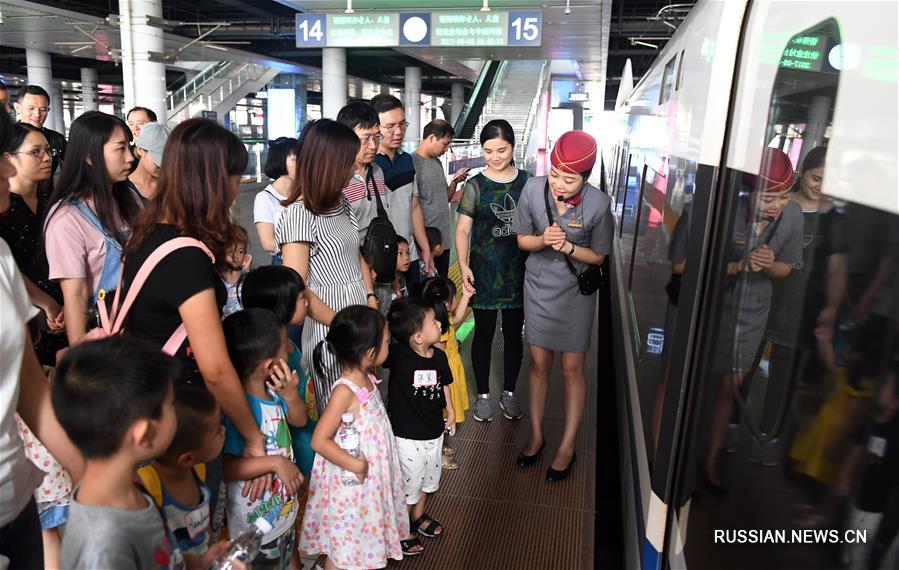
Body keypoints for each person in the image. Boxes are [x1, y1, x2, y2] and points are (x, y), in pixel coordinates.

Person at [122, 118, 267, 490]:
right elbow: (215, 368)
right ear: (212, 181)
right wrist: (254, 437)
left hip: (147, 402)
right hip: (182, 419)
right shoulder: (187, 258)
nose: (237, 187)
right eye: (235, 176)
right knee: (194, 524)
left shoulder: (149, 231)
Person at [53, 337, 232, 569]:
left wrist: (198, 562)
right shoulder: (103, 548)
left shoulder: (130, 488)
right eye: (170, 405)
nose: (175, 411)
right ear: (144, 433)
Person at [0, 105, 84, 570]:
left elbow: (32, 394)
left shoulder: (1, 258)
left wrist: (92, 477)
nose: (11, 167)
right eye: (4, 155)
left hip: (15, 503)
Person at [512, 130, 614, 481]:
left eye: (569, 179)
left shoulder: (599, 205)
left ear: (585, 178)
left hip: (575, 292)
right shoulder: (532, 189)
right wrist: (543, 240)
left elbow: (599, 256)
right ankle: (537, 434)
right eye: (555, 173)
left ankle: (567, 444)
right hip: (538, 285)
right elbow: (522, 239)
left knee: (572, 369)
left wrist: (568, 248)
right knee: (538, 363)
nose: (559, 183)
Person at [704, 147, 803, 490]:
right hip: (713, 305)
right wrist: (738, 265)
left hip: (752, 311)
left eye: (784, 195)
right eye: (768, 197)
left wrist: (767, 264)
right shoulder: (725, 207)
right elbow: (696, 265)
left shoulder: (792, 216)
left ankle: (712, 460)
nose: (777, 205)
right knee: (700, 383)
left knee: (728, 389)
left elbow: (785, 268)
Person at [275, 119, 378, 416]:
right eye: (348, 162)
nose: (353, 169)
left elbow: (355, 252)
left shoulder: (341, 203)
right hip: (328, 329)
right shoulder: (299, 215)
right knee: (339, 415)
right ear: (328, 164)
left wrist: (369, 299)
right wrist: (344, 325)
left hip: (356, 316)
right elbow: (298, 287)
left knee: (363, 407)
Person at [300, 305, 411, 567]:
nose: (389, 344)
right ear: (369, 353)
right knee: (345, 551)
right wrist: (356, 464)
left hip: (369, 485)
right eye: (386, 342)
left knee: (359, 543)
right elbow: (319, 439)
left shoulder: (366, 376)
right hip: (353, 485)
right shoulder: (344, 390)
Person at [455, 119, 530, 423]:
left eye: (502, 150)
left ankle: (509, 392)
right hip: (484, 272)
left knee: (513, 334)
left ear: (513, 147)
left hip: (520, 271)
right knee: (483, 333)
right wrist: (462, 265)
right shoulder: (476, 185)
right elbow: (462, 231)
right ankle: (483, 395)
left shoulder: (528, 181)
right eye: (488, 151)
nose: (495, 156)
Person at [44, 111, 140, 344]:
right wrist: (82, 359)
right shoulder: (67, 219)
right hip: (107, 337)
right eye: (120, 149)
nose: (130, 157)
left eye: (129, 147)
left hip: (143, 324)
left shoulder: (130, 198)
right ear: (89, 156)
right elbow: (75, 296)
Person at [222, 309, 306, 570]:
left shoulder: (275, 392)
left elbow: (299, 420)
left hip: (282, 514)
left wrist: (291, 396)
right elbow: (227, 467)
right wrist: (276, 464)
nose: (288, 354)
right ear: (269, 366)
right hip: (254, 530)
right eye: (284, 350)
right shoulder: (240, 411)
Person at [384, 298, 455, 549]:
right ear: (416, 337)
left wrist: (452, 410)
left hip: (434, 432)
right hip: (407, 436)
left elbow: (444, 384)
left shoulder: (439, 356)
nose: (439, 323)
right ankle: (402, 529)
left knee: (428, 479)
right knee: (409, 484)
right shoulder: (398, 355)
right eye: (433, 322)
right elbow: (375, 348)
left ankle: (417, 516)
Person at [241, 265, 318, 477]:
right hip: (296, 444)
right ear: (281, 307)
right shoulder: (273, 360)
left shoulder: (288, 343)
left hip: (308, 430)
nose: (307, 302)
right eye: (301, 297)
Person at [136, 386, 225, 565]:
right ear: (186, 459)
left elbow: (202, 521)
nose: (223, 431)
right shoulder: (147, 487)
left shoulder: (198, 470)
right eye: (217, 431)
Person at [1, 122, 67, 365]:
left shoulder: (49, 202)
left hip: (61, 311)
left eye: (48, 151)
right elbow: (9, 268)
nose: (46, 158)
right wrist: (48, 304)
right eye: (35, 152)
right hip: (22, 312)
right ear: (9, 158)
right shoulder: (5, 207)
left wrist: (64, 305)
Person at [371, 94, 433, 293]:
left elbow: (414, 207)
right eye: (390, 127)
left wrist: (425, 248)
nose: (398, 132)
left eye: (402, 124)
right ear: (374, 127)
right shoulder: (369, 166)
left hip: (409, 255)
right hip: (382, 256)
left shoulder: (407, 160)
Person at [421, 276, 474, 467]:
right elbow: (439, 357)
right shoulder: (436, 327)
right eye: (453, 297)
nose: (454, 300)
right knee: (441, 414)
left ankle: (441, 445)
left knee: (444, 415)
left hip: (451, 371)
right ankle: (437, 455)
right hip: (444, 376)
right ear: (445, 302)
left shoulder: (440, 319)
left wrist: (466, 296)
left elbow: (458, 318)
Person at [413, 119, 469, 278]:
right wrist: (426, 245)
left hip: (443, 240)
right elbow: (413, 208)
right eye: (445, 144)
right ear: (431, 138)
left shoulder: (436, 162)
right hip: (427, 244)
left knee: (442, 287)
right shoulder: (414, 164)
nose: (446, 149)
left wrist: (455, 182)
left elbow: (445, 198)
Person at [336, 101, 389, 239]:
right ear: (346, 138)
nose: (373, 146)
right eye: (365, 139)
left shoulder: (377, 171)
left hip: (374, 254)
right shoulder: (334, 177)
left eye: (377, 137)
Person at [254, 137, 298, 262]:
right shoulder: (264, 198)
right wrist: (300, 250)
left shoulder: (304, 193)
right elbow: (268, 243)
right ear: (280, 161)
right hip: (283, 261)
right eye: (295, 159)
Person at [14, 85, 66, 174]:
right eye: (31, 108)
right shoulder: (6, 137)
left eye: (43, 110)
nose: (37, 114)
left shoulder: (57, 139)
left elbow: (76, 162)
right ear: (18, 108)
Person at [129, 121, 171, 201]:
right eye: (159, 158)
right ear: (140, 150)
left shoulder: (172, 187)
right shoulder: (122, 189)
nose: (162, 166)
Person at [221, 225, 251, 317]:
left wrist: (247, 271)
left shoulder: (244, 273)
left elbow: (252, 296)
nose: (236, 256)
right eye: (230, 251)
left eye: (241, 251)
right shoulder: (218, 277)